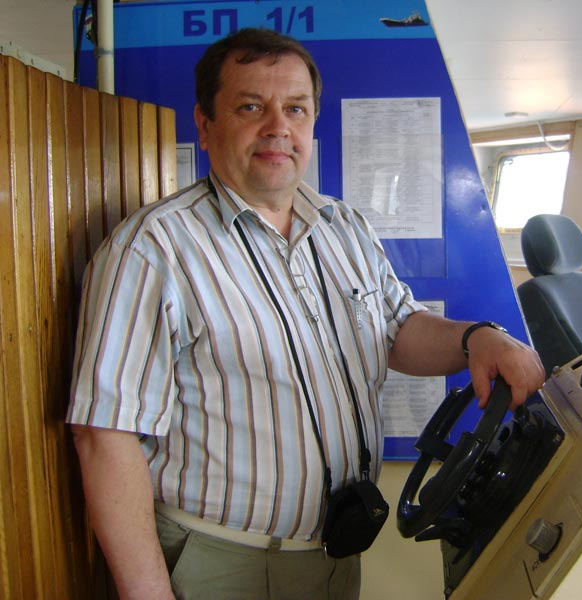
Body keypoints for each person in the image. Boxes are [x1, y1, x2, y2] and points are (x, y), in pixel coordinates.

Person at [68, 27, 545, 600]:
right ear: (205, 123)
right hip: (218, 563)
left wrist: (478, 338)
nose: (278, 127)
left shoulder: (345, 226)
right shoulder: (152, 249)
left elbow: (397, 329)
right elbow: (106, 435)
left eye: (295, 108)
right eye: (251, 107)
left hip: (336, 553)